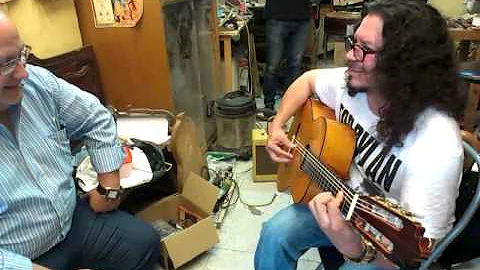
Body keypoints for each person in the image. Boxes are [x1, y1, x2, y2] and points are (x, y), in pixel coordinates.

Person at [255, 0, 466, 269]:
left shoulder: (437, 146)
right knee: (274, 234)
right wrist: (276, 126)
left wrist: (354, 248)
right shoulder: (353, 84)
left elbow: (412, 257)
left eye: (365, 49)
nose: (350, 55)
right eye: (353, 43)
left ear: (404, 64)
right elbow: (305, 81)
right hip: (341, 199)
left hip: (385, 242)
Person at [0, 12, 160, 270]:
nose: (22, 73)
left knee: (144, 243)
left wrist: (109, 189)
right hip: (20, 257)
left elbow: (95, 117)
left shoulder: (37, 84)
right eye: (6, 63)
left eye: (21, 55)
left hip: (71, 222)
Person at [262, 0, 311, 112]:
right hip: (277, 15)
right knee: (273, 66)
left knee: (295, 64)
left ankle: (289, 105)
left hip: (301, 17)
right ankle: (268, 105)